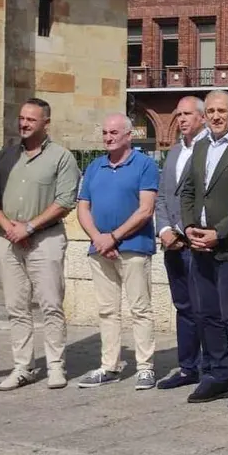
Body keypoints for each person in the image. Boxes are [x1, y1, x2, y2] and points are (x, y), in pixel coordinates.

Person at [0, 99, 80, 391]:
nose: (23, 124)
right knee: (16, 307)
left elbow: (65, 201)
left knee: (51, 305)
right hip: (9, 240)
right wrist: (9, 227)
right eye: (22, 118)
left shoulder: (62, 158)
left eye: (31, 120)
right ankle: (23, 367)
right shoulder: (4, 157)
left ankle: (56, 366)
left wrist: (30, 226)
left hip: (45, 240)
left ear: (46, 123)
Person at [179, 90, 228, 406]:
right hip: (199, 245)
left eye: (221, 111)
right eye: (210, 111)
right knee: (206, 314)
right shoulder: (200, 147)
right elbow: (188, 190)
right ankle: (217, 375)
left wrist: (219, 232)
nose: (215, 116)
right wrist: (188, 226)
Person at [74, 114, 159, 390]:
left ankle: (145, 367)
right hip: (99, 250)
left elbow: (145, 209)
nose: (108, 137)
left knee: (140, 309)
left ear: (128, 135)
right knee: (107, 310)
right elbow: (82, 207)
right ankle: (109, 365)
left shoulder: (145, 165)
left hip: (134, 248)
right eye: (105, 133)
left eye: (114, 132)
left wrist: (113, 237)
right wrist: (99, 239)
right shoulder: (95, 166)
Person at [154, 96, 209, 390]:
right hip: (173, 244)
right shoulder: (174, 151)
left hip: (199, 242)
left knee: (205, 308)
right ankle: (188, 367)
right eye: (179, 114)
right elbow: (163, 194)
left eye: (187, 114)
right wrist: (163, 228)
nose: (182, 119)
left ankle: (211, 368)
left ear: (202, 117)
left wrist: (191, 230)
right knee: (184, 306)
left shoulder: (211, 149)